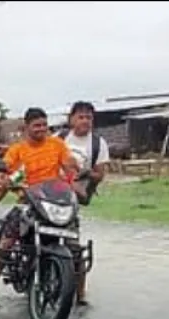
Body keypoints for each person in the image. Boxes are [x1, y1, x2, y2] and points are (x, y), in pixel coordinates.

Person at [0, 107, 82, 307]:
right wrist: (2, 180)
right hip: (27, 202)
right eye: (37, 126)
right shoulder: (18, 150)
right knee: (4, 246)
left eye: (44, 125)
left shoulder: (57, 144)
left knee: (75, 246)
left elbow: (68, 165)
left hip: (55, 202)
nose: (41, 129)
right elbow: (5, 169)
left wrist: (75, 171)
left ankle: (81, 297)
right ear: (26, 127)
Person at [56, 101, 110, 306]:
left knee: (74, 246)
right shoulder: (59, 139)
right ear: (71, 119)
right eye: (81, 117)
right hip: (50, 193)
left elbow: (100, 174)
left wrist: (89, 174)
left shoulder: (98, 144)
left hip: (73, 199)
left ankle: (81, 294)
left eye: (89, 117)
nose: (85, 121)